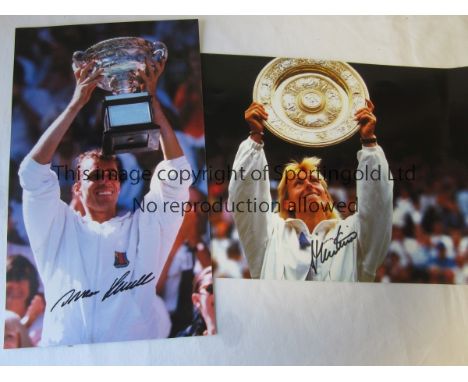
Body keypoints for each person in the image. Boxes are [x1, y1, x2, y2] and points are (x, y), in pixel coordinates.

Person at [19, 57, 191, 346]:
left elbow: (177, 178)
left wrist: (153, 105)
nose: (105, 182)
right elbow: (31, 174)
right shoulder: (56, 230)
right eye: (94, 175)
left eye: (112, 175)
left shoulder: (144, 228)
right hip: (64, 362)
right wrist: (76, 105)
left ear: (120, 185)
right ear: (76, 188)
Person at [228, 101, 393, 281]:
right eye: (298, 183)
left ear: (327, 196)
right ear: (287, 202)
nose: (308, 184)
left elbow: (378, 204)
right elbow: (245, 196)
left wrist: (369, 143)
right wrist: (255, 138)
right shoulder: (271, 234)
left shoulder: (354, 233)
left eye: (315, 180)